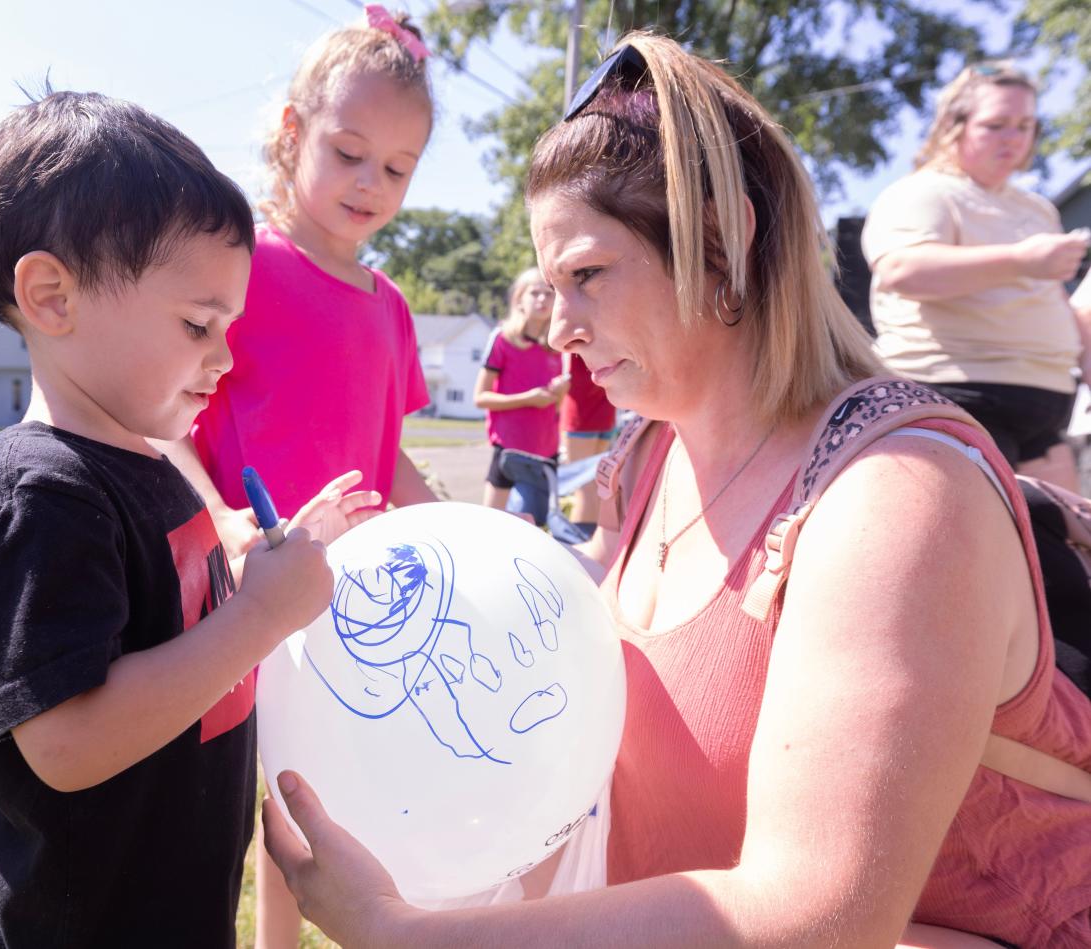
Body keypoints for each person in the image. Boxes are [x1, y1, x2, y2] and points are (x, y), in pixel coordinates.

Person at [260, 35, 1091, 948]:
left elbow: (821, 915)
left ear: (720, 240)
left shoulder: (897, 497)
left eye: (588, 276)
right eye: (551, 285)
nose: (562, 328)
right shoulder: (648, 456)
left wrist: (400, 932)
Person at [0, 90, 370, 948]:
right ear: (52, 298)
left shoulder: (145, 468)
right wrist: (258, 617)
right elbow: (65, 740)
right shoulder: (42, 494)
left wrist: (255, 579)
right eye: (197, 323)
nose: (224, 356)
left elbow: (169, 640)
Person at [151, 8, 438, 946]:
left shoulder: (392, 304)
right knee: (259, 804)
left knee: (333, 796)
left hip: (359, 597)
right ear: (290, 134)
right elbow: (168, 417)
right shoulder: (246, 272)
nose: (371, 183)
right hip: (250, 590)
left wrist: (450, 524)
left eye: (397, 168)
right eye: (350, 152)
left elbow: (388, 449)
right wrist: (227, 518)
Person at [862, 62, 1091, 492]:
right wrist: (1021, 260)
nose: (1014, 138)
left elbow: (1051, 300)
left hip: (1046, 409)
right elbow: (902, 270)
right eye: (996, 125)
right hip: (957, 398)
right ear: (955, 125)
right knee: (990, 551)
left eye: (1025, 125)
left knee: (1064, 549)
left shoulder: (1038, 208)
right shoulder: (923, 192)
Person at [474, 268, 570, 524]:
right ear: (519, 300)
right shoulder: (502, 339)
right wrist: (528, 398)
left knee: (535, 524)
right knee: (490, 521)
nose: (542, 300)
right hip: (509, 447)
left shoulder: (557, 347)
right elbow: (480, 397)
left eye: (549, 293)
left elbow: (556, 405)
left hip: (544, 449)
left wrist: (559, 394)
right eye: (534, 293)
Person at [559, 351, 616, 529]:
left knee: (583, 490)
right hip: (605, 414)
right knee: (595, 487)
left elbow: (566, 376)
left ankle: (581, 544)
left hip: (580, 417)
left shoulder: (576, 338)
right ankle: (595, 540)